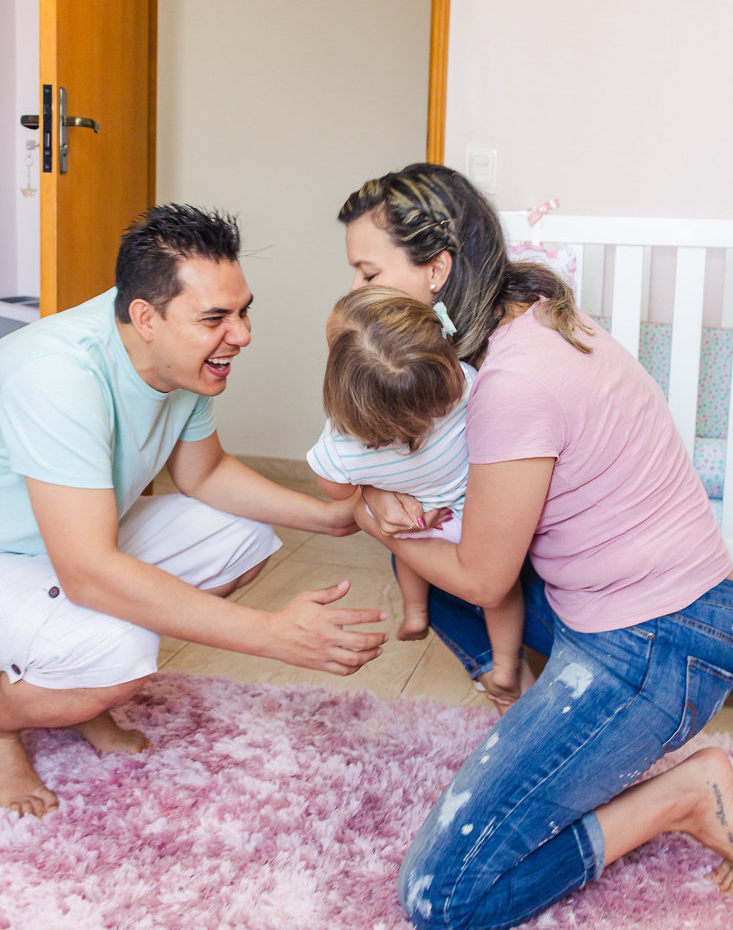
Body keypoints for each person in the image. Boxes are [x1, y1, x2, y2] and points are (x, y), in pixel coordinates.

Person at [337, 163, 733, 926]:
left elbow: (485, 580)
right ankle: (524, 708)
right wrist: (393, 503)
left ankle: (681, 796)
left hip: (660, 640)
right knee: (418, 551)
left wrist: (363, 510)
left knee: (442, 897)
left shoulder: (514, 379)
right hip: (635, 610)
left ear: (436, 269)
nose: (356, 292)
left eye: (368, 272)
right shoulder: (531, 319)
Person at [0, 204, 387, 819]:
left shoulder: (174, 357)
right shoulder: (60, 374)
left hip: (62, 544)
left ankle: (74, 688)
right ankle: (7, 724)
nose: (242, 335)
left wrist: (331, 516)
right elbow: (87, 572)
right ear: (145, 317)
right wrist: (271, 634)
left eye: (243, 311)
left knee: (239, 535)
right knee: (118, 650)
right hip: (16, 555)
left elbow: (203, 474)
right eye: (215, 319)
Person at [307, 286, 532, 712]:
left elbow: (334, 488)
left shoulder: (344, 445)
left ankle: (415, 613)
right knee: (503, 594)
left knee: (405, 550)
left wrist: (371, 483)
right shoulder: (468, 388)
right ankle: (505, 664)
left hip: (420, 521)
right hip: (477, 518)